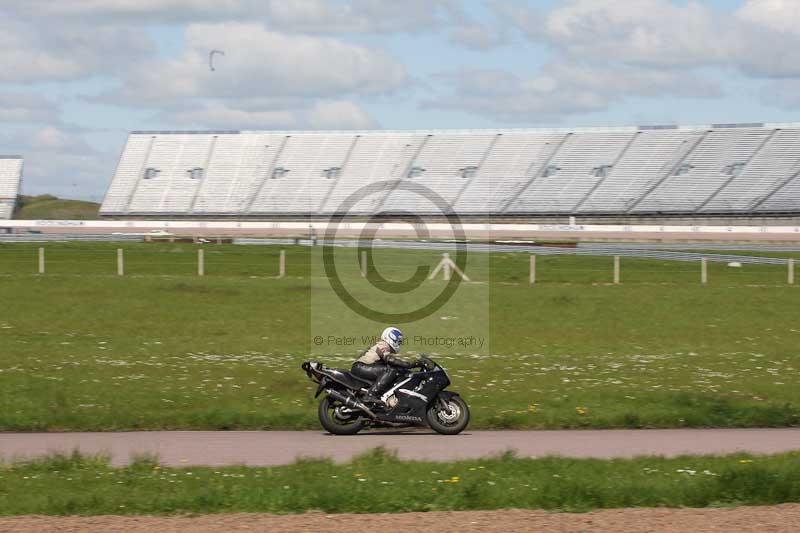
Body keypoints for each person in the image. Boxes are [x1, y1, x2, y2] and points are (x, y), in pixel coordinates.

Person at [351, 327, 421, 404]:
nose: (399, 343)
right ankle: (370, 395)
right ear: (391, 337)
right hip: (361, 367)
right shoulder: (383, 344)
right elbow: (390, 359)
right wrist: (410, 364)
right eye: (398, 340)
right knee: (391, 370)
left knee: (396, 370)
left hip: (362, 367)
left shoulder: (382, 345)